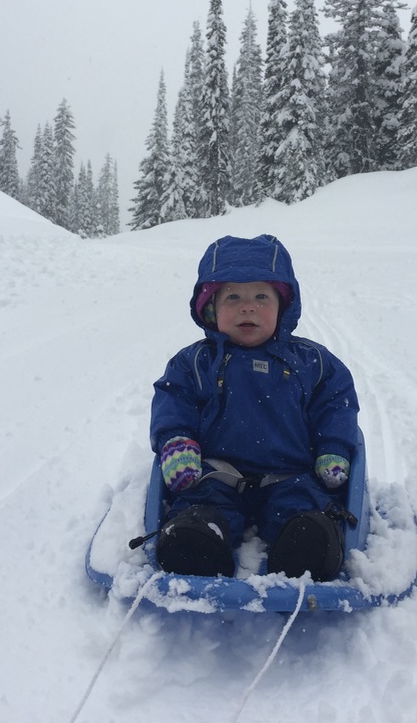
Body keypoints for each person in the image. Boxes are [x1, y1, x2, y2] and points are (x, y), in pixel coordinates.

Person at [149, 234, 360, 581]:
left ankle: (303, 544)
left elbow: (337, 404)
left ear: (283, 306)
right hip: (215, 476)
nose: (247, 307)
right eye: (233, 297)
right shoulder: (195, 362)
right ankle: (200, 539)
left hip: (293, 476)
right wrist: (176, 441)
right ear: (211, 307)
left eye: (261, 296)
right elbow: (173, 400)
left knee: (307, 522)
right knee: (197, 516)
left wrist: (334, 448)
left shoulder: (312, 361)